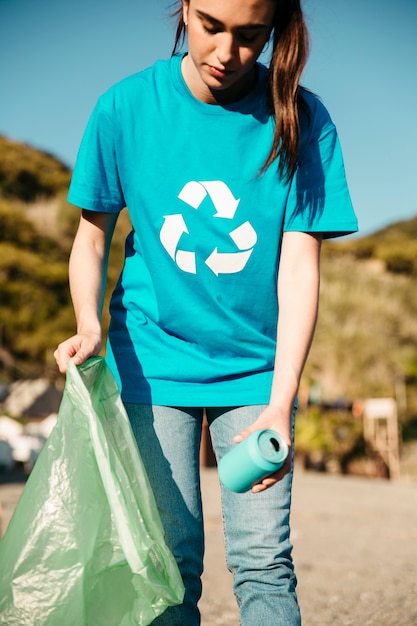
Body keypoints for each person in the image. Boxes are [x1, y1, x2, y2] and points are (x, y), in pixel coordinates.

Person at [54, 0, 358, 624]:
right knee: (168, 569)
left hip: (255, 374)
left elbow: (299, 269)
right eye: (210, 27)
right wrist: (88, 324)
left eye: (251, 36)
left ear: (277, 28)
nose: (226, 54)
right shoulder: (125, 108)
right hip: (153, 363)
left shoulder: (299, 117)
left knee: (264, 564)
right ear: (184, 8)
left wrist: (282, 400)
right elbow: (91, 238)